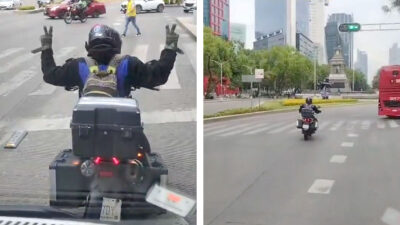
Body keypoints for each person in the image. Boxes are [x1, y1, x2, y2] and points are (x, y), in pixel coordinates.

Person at [31, 24, 182, 97]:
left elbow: (50, 74)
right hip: (124, 131)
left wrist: (46, 49)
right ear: (117, 45)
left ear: (88, 45)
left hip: (87, 134)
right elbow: (159, 75)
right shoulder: (129, 64)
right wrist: (169, 49)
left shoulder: (78, 65)